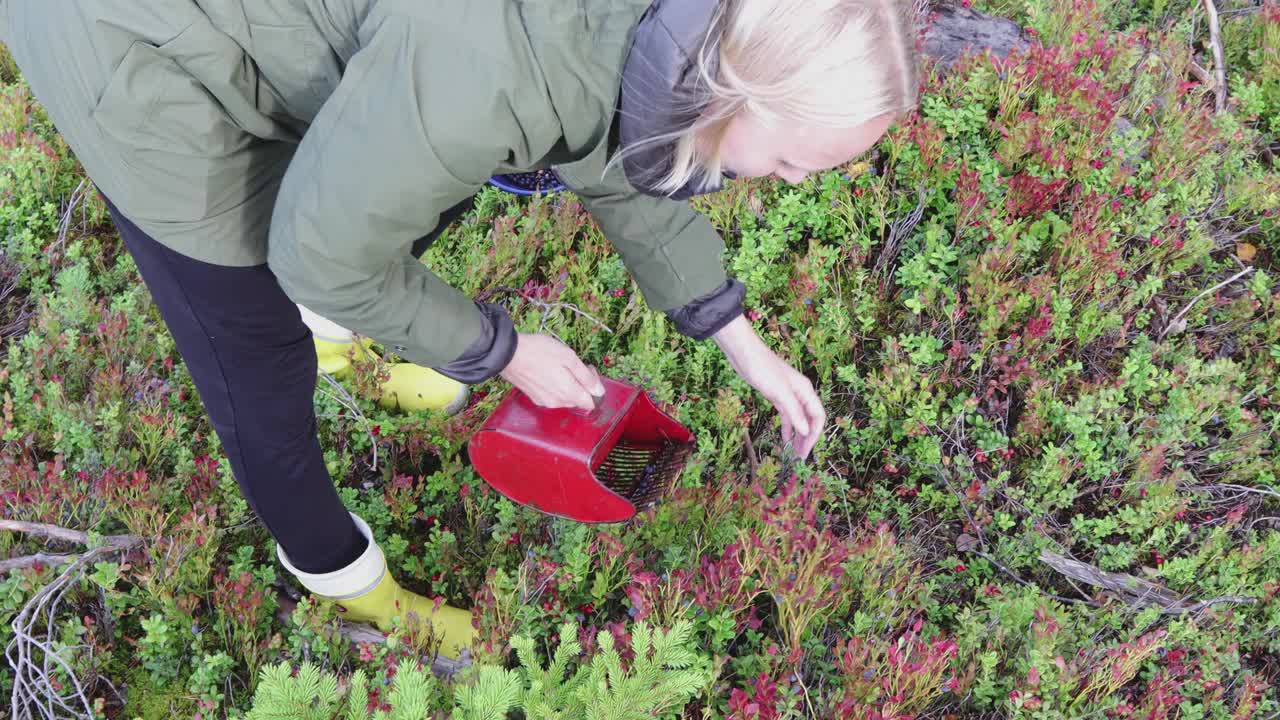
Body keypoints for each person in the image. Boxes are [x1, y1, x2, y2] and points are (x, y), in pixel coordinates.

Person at [0, 0, 918, 659]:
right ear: (731, 91)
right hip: (129, 41)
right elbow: (320, 256)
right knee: (258, 356)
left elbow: (625, 154)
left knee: (359, 210)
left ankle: (343, 342)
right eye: (798, 160)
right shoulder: (488, 82)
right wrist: (505, 351)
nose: (799, 183)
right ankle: (346, 586)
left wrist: (738, 339)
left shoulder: (667, 30)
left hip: (304, 31)